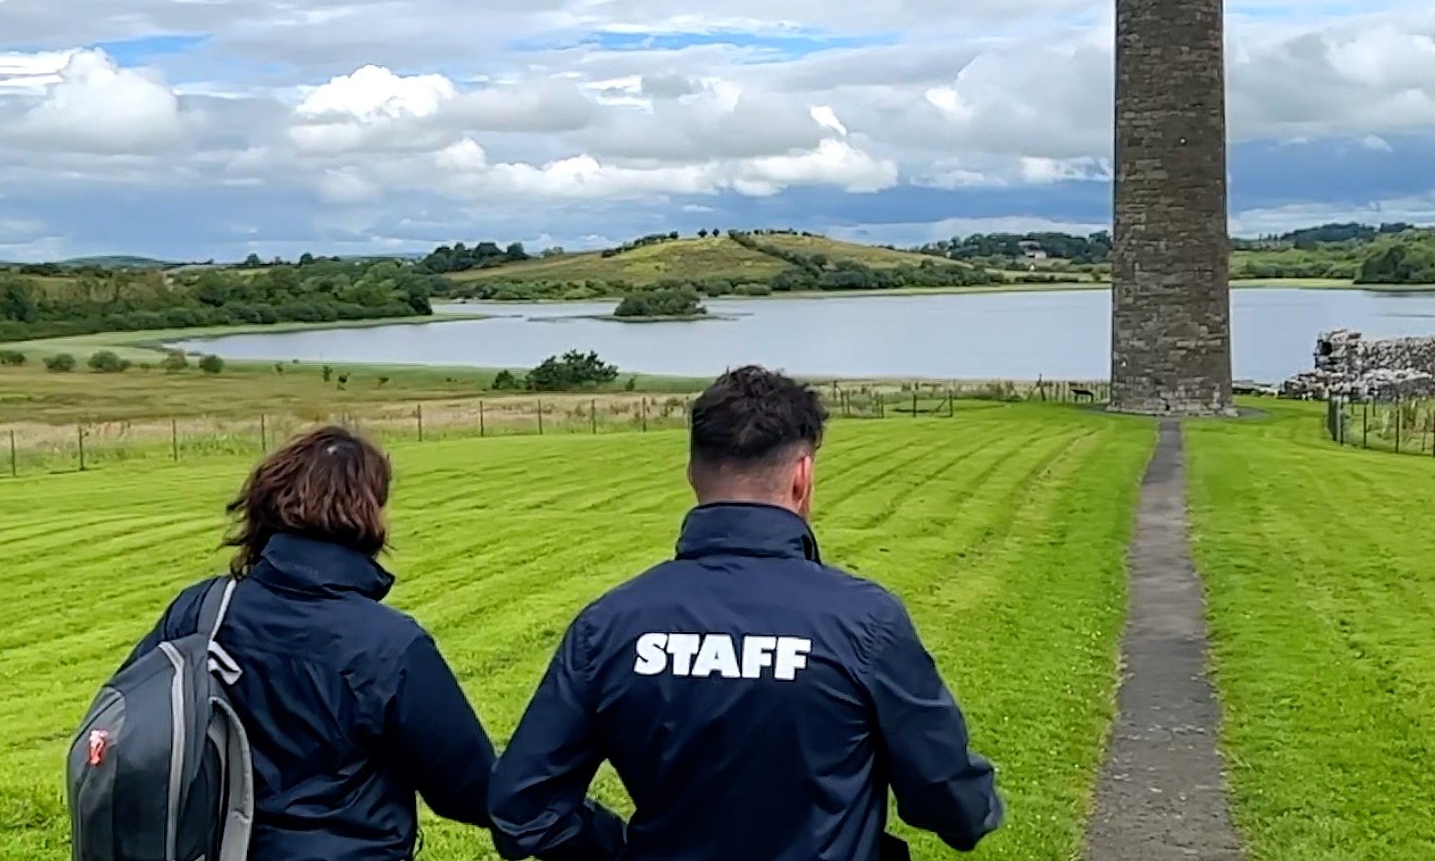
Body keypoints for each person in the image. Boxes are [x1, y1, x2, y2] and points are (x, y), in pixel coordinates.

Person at [488, 366, 1004, 860]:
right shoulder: (863, 622)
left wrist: (617, 850)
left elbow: (523, 804)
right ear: (802, 477)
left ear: (692, 472)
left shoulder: (609, 625)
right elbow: (950, 800)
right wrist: (976, 805)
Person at [123, 425, 623, 861]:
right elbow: (471, 787)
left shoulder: (201, 609)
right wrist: (598, 838)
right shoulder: (388, 645)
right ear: (369, 513)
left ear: (266, 501)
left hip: (208, 849)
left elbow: (127, 723)